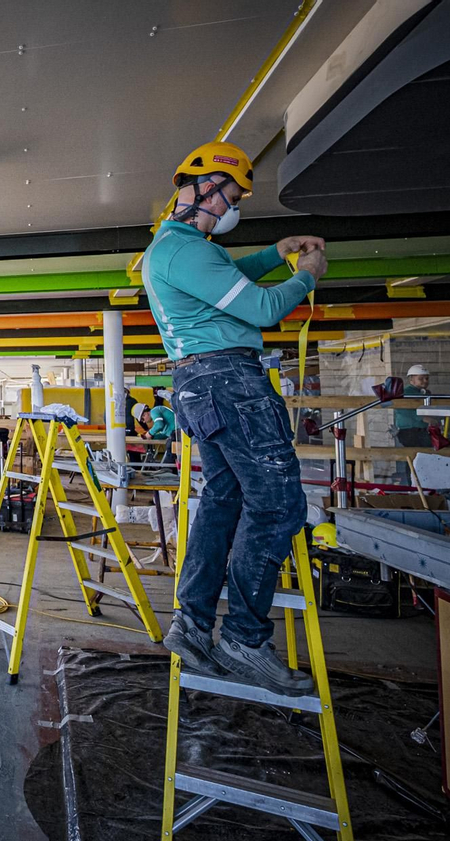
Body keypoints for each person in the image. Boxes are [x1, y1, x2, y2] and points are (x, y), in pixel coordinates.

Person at [144, 140, 326, 695]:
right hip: (231, 382)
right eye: (230, 195)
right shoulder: (185, 250)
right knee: (277, 504)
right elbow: (264, 308)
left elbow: (228, 273)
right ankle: (245, 640)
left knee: (224, 498)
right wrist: (308, 274)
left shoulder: (177, 248)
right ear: (202, 189)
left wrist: (275, 252)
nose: (232, 207)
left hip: (202, 384)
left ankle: (193, 625)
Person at [393, 364, 432, 448]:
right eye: (421, 379)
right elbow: (401, 408)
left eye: (427, 378)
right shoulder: (405, 392)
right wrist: (422, 418)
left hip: (423, 431)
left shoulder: (426, 393)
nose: (425, 381)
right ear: (411, 380)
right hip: (408, 431)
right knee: (415, 455)